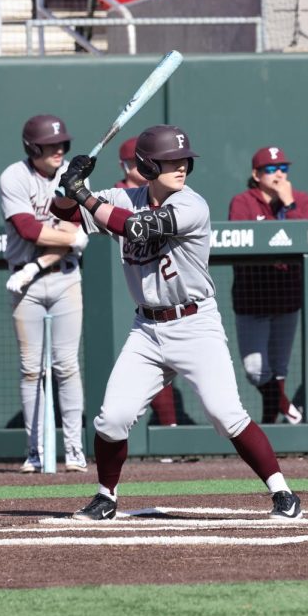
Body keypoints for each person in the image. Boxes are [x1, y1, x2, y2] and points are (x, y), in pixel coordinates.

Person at [51, 125, 302, 521]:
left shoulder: (192, 205)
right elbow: (63, 217)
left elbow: (135, 227)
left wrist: (83, 193)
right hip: (147, 329)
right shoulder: (122, 197)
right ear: (148, 165)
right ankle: (106, 496)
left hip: (194, 323)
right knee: (111, 418)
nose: (181, 166)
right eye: (170, 160)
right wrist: (67, 189)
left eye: (183, 159)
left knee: (225, 414)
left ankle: (282, 492)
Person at [0, 115, 88, 473]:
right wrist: (68, 239)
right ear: (33, 147)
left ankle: (75, 450)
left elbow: (73, 231)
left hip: (64, 278)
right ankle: (35, 451)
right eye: (51, 145)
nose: (58, 150)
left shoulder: (73, 176)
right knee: (31, 369)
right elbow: (29, 230)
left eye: (62, 144)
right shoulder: (14, 176)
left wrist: (40, 263)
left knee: (66, 366)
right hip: (24, 283)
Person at [227, 146, 308, 425]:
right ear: (256, 174)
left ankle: (270, 430)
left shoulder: (300, 199)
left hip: (287, 297)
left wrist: (288, 206)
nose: (278, 174)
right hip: (252, 298)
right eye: (271, 169)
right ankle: (285, 406)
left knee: (279, 369)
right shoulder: (243, 201)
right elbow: (237, 244)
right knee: (255, 370)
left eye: (283, 169)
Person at [115, 137, 178, 428]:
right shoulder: (118, 195)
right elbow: (72, 212)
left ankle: (171, 430)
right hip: (128, 290)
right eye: (135, 164)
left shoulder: (177, 196)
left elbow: (134, 227)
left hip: (171, 293)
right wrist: (74, 190)